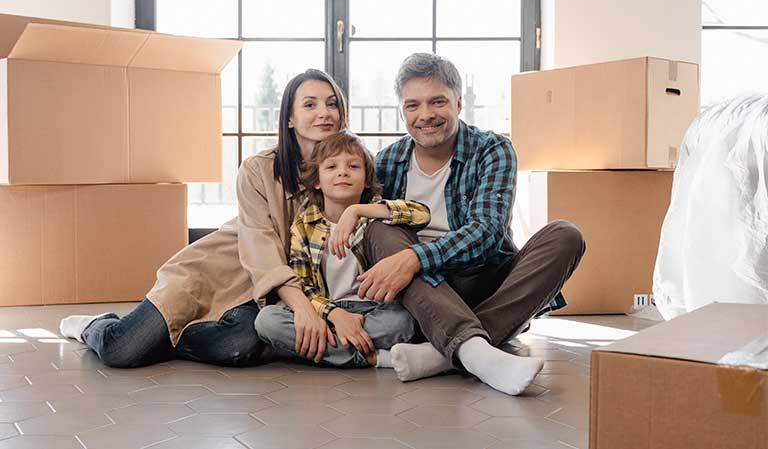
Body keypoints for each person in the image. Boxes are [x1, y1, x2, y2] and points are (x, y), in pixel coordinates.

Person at [59, 69, 347, 368]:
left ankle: (168, 341)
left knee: (240, 346)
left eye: (332, 104)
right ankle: (95, 325)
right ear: (290, 118)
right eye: (310, 105)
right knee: (122, 351)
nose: (324, 113)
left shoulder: (349, 169)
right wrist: (305, 309)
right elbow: (261, 251)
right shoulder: (258, 169)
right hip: (213, 274)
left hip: (263, 294)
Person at [357, 53, 586, 396]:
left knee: (566, 236)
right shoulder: (388, 160)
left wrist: (415, 259)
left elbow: (488, 232)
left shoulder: (492, 149)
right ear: (402, 110)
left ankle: (444, 354)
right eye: (412, 106)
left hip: (484, 278)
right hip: (426, 293)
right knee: (378, 228)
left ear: (459, 103)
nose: (425, 116)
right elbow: (376, 242)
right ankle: (478, 352)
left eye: (438, 101)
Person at [254, 131, 430, 368]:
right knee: (267, 321)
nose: (342, 172)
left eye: (354, 166)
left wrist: (358, 211)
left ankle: (331, 352)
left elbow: (421, 214)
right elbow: (303, 285)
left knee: (403, 321)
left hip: (372, 310)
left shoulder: (375, 215)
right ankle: (373, 357)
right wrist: (335, 316)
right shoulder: (304, 225)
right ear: (316, 180)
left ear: (367, 178)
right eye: (331, 167)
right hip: (326, 311)